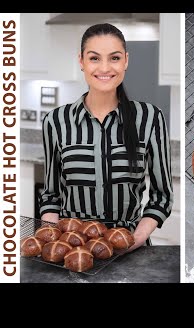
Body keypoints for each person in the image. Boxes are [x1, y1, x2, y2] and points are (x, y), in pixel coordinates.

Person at [39, 23, 173, 251]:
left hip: (129, 248)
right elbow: (51, 195)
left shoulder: (151, 118)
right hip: (73, 248)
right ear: (81, 61)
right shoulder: (55, 121)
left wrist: (135, 240)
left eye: (114, 58)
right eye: (94, 58)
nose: (104, 68)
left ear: (126, 61)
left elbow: (161, 196)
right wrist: (54, 242)